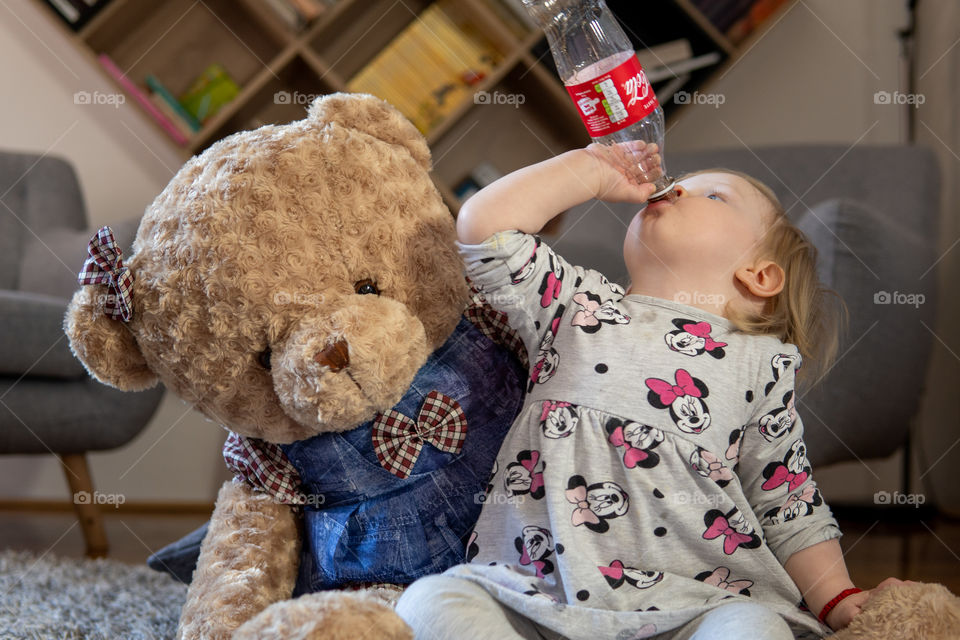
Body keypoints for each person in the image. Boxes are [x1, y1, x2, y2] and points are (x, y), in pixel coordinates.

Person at [395, 143, 905, 640]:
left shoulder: (760, 363)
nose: (676, 189)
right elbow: (483, 228)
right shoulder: (574, 303)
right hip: (536, 593)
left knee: (756, 627)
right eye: (679, 183)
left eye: (714, 195)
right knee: (429, 601)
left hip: (690, 604)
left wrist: (836, 596)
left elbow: (789, 502)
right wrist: (587, 170)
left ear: (760, 275)